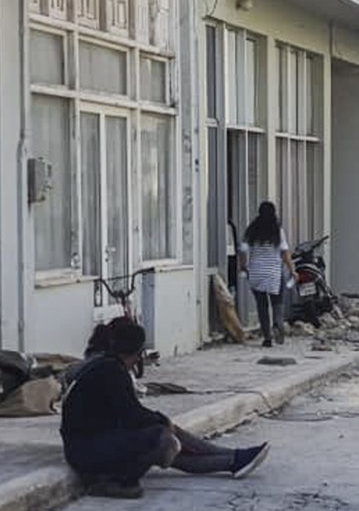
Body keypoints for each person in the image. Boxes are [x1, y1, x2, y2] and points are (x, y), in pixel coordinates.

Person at [61, 318, 270, 499]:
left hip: (92, 442)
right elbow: (132, 415)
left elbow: (127, 414)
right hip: (87, 451)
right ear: (136, 352)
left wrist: (163, 422)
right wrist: (162, 421)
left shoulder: (106, 365)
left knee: (166, 438)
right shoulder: (110, 371)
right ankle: (233, 459)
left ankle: (233, 459)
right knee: (161, 439)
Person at [239, 202, 296, 347]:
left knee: (262, 305)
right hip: (274, 273)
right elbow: (284, 253)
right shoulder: (277, 230)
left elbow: (243, 250)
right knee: (277, 303)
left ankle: (267, 338)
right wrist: (292, 270)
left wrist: (244, 266)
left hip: (256, 272)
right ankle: (277, 324)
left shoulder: (252, 230)